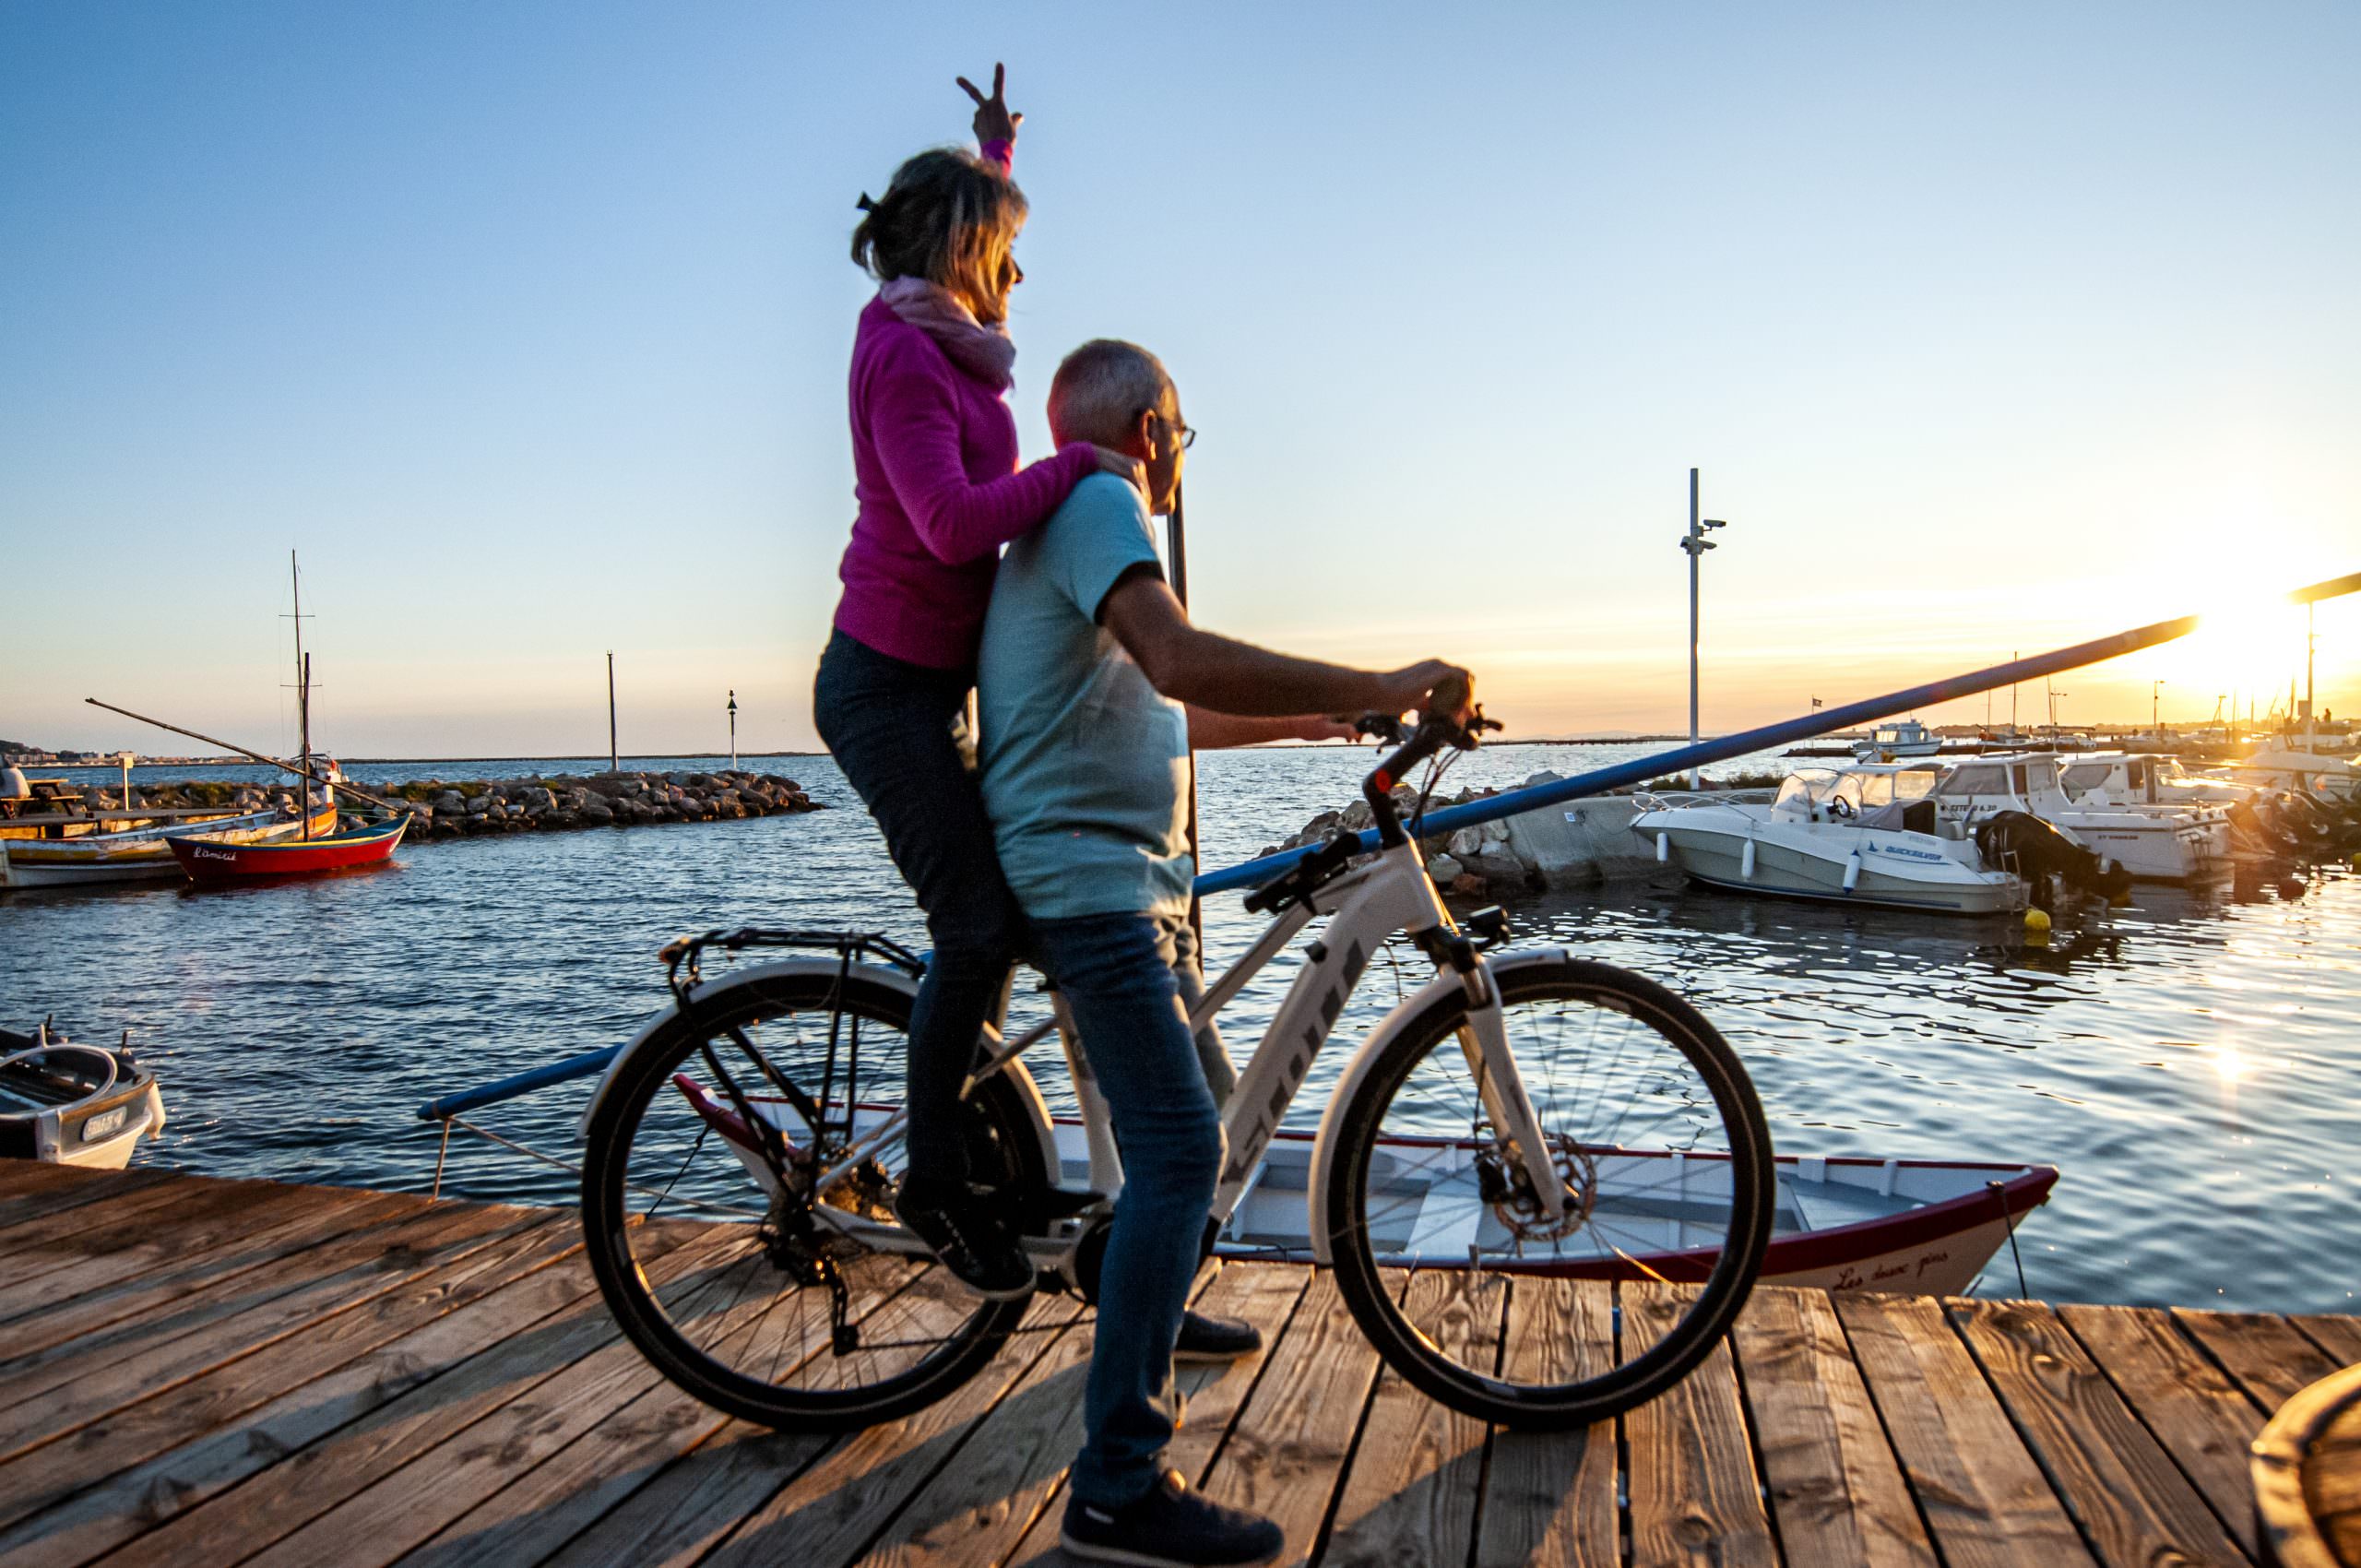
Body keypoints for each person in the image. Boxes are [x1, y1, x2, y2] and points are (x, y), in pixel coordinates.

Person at [975, 339, 1473, 1568]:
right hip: (1090, 891)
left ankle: (1146, 1302)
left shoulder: (1070, 526)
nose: (1178, 458)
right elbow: (1181, 657)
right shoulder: (1100, 505)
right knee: (1184, 1145)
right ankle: (1116, 1486)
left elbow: (1163, 704)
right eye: (1182, 435)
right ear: (1151, 431)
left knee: (1196, 1108)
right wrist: (1386, 677)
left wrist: (1325, 714)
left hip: (1112, 880)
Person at [810, 66, 1145, 1300]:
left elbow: (984, 214)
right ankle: (936, 1177)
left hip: (933, 690)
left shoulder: (944, 330)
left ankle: (1110, 1216)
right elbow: (952, 527)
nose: (1019, 268)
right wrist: (1074, 469)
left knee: (1036, 919)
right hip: (881, 693)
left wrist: (997, 151)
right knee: (978, 925)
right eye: (1001, 247)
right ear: (959, 254)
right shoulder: (903, 357)